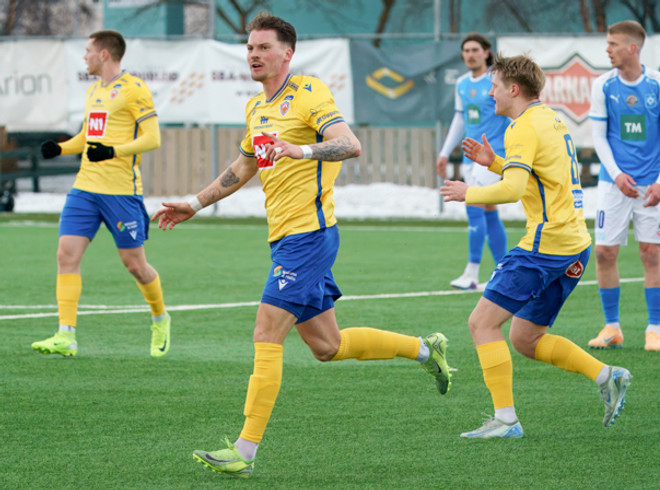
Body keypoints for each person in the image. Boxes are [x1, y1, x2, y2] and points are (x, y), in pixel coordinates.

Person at [153, 12, 451, 478]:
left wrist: (303, 150)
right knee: (327, 346)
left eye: (264, 47)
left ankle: (244, 452)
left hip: (309, 237)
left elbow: (350, 144)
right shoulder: (256, 108)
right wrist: (194, 203)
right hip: (285, 239)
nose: (254, 55)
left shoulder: (308, 92)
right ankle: (424, 349)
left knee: (265, 332)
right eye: (250, 48)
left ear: (287, 53)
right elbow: (243, 166)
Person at [440, 53, 631, 439]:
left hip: (546, 247)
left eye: (494, 86)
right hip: (573, 244)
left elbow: (513, 190)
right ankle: (606, 376)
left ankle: (506, 421)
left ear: (514, 89)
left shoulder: (522, 127)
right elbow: (541, 175)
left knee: (481, 323)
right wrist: (495, 163)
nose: (489, 93)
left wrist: (468, 192)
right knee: (525, 338)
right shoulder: (550, 118)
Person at [31, 30, 170, 358]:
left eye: (88, 51)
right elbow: (87, 137)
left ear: (104, 54)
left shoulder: (134, 88)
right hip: (85, 188)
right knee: (66, 255)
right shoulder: (94, 90)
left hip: (121, 192)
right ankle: (66, 335)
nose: (85, 57)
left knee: (135, 265)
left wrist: (113, 152)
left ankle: (160, 318)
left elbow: (153, 138)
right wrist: (61, 148)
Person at [587, 20, 660, 352]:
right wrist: (616, 175)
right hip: (613, 184)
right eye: (607, 43)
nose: (608, 50)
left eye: (613, 44)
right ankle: (612, 327)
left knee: (651, 254)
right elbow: (599, 137)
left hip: (651, 184)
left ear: (632, 48)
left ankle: (653, 329)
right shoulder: (602, 85)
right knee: (603, 252)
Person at [436, 33, 509, 290]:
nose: (470, 54)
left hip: (492, 155)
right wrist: (445, 152)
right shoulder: (462, 83)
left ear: (486, 52)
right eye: (466, 50)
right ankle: (504, 271)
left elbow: (511, 114)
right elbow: (460, 118)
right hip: (471, 156)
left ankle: (471, 273)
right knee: (489, 211)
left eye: (475, 50)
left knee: (473, 204)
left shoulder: (497, 81)